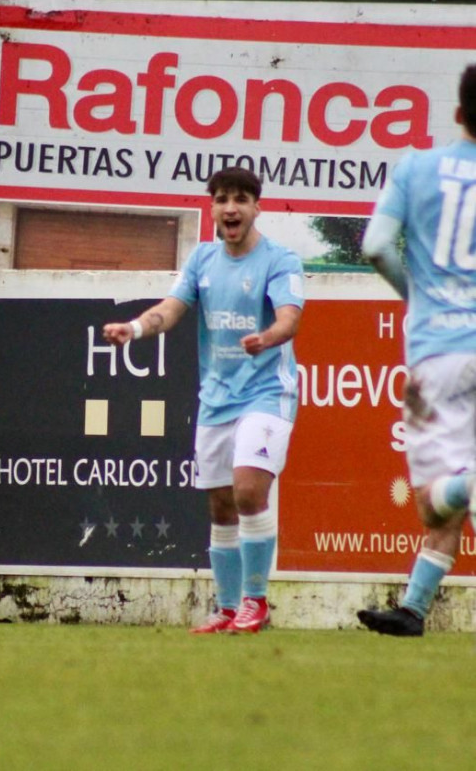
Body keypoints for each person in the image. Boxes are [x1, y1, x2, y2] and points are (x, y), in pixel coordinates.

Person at [103, 166, 304, 634]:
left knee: (249, 490)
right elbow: (170, 311)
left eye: (240, 199)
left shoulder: (280, 259)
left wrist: (267, 337)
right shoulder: (202, 261)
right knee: (220, 505)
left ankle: (257, 602)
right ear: (211, 208)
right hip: (216, 400)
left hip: (267, 394)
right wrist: (133, 329)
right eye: (222, 200)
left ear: (257, 207)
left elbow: (289, 320)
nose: (230, 208)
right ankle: (229, 607)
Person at [357, 63, 476, 637]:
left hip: (439, 352)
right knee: (457, 488)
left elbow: (377, 245)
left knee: (436, 501)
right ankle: (412, 610)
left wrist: (418, 297)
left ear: (458, 114)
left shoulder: (417, 168)